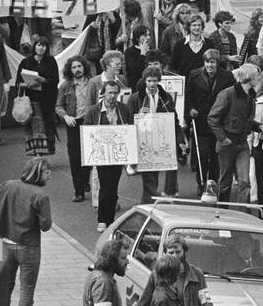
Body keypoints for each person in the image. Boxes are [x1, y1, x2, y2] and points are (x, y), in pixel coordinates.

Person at [0, 158, 52, 306]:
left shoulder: (6, 185)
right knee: (26, 290)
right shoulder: (40, 195)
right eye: (47, 172)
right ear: (38, 173)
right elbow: (46, 226)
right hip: (28, 246)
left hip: (0, 243)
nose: (50, 176)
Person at [81, 80, 134, 232]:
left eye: (115, 93)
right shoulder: (93, 111)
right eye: (109, 92)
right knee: (105, 186)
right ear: (103, 93)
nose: (112, 96)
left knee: (113, 186)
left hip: (117, 155)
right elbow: (87, 133)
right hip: (102, 155)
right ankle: (103, 219)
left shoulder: (124, 109)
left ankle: (109, 219)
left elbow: (129, 130)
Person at [129, 64, 181, 204]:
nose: (152, 84)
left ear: (159, 81)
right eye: (149, 81)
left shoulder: (167, 98)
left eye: (154, 80)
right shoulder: (135, 98)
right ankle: (147, 204)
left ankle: (155, 201)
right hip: (144, 141)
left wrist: (180, 138)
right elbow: (129, 121)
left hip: (163, 141)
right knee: (149, 177)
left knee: (160, 173)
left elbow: (174, 119)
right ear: (144, 81)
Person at [208, 64, 259, 203]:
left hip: (242, 142)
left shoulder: (250, 96)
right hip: (228, 143)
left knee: (244, 181)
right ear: (250, 77)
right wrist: (223, 138)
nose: (259, 79)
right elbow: (213, 118)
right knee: (225, 181)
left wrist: (260, 127)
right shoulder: (227, 94)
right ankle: (222, 212)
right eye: (257, 76)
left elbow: (245, 120)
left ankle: (244, 215)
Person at [185, 49, 231, 193]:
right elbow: (188, 95)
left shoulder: (227, 76)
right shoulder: (194, 74)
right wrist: (191, 108)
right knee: (202, 154)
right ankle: (201, 181)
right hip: (201, 119)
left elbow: (230, 96)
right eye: (207, 62)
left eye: (212, 62)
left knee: (215, 154)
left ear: (217, 63)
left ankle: (212, 182)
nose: (209, 65)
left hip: (218, 121)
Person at [16, 36, 60, 157]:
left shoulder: (51, 61)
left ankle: (45, 152)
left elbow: (55, 80)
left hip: (47, 100)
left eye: (44, 45)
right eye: (39, 45)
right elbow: (18, 83)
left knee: (48, 125)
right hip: (31, 100)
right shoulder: (26, 62)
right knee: (36, 126)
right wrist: (28, 84)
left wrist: (43, 80)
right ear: (34, 46)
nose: (41, 48)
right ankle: (37, 154)